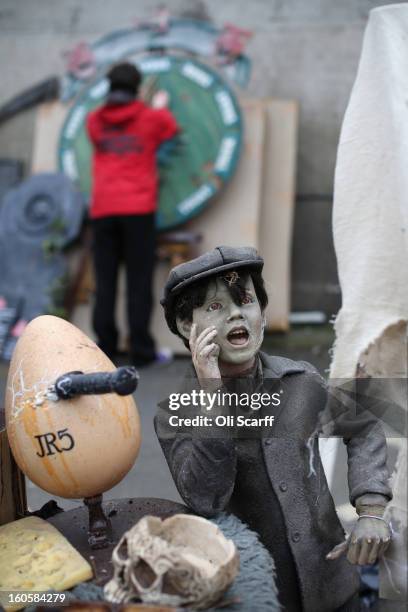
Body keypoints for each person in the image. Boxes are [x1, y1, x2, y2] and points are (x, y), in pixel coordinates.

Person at [155, 245, 392, 612]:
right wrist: (213, 398)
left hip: (332, 587)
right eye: (215, 307)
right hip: (253, 596)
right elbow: (206, 498)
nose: (237, 314)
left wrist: (371, 509)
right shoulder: (176, 414)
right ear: (188, 326)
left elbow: (363, 426)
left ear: (262, 313)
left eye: (246, 300)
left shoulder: (300, 382)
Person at [86, 62, 178, 366]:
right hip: (138, 210)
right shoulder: (151, 118)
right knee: (139, 282)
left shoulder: (94, 121)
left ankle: (106, 349)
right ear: (137, 88)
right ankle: (141, 350)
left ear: (109, 87)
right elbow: (170, 127)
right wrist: (160, 105)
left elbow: (102, 131)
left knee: (105, 282)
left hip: (103, 209)